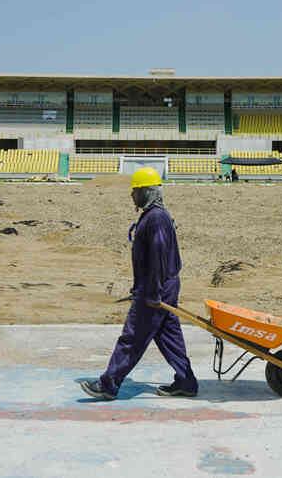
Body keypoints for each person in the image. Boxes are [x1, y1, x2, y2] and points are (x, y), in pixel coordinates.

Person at [80, 167, 198, 400]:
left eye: (135, 190)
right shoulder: (153, 215)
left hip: (157, 287)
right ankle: (186, 382)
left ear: (147, 191)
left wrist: (152, 292)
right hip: (164, 285)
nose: (132, 195)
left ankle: (109, 384)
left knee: (133, 336)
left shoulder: (155, 218)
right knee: (168, 335)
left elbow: (158, 256)